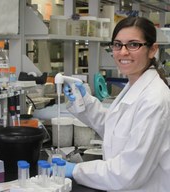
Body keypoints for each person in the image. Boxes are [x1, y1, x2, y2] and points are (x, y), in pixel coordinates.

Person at [63, 16, 170, 192]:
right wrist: (86, 102)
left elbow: (127, 173)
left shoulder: (154, 100)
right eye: (117, 44)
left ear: (152, 50)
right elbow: (117, 129)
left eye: (133, 44)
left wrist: (76, 170)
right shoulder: (135, 86)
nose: (123, 52)